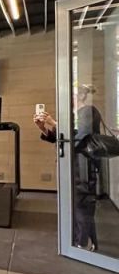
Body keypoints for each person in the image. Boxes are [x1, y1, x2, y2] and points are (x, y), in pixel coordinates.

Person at [34, 85, 102, 250]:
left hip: (83, 167)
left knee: (81, 205)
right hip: (73, 166)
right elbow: (62, 138)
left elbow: (80, 138)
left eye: (71, 95)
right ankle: (87, 242)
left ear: (80, 96)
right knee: (78, 205)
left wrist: (54, 122)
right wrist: (43, 128)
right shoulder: (74, 115)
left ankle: (82, 244)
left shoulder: (88, 111)